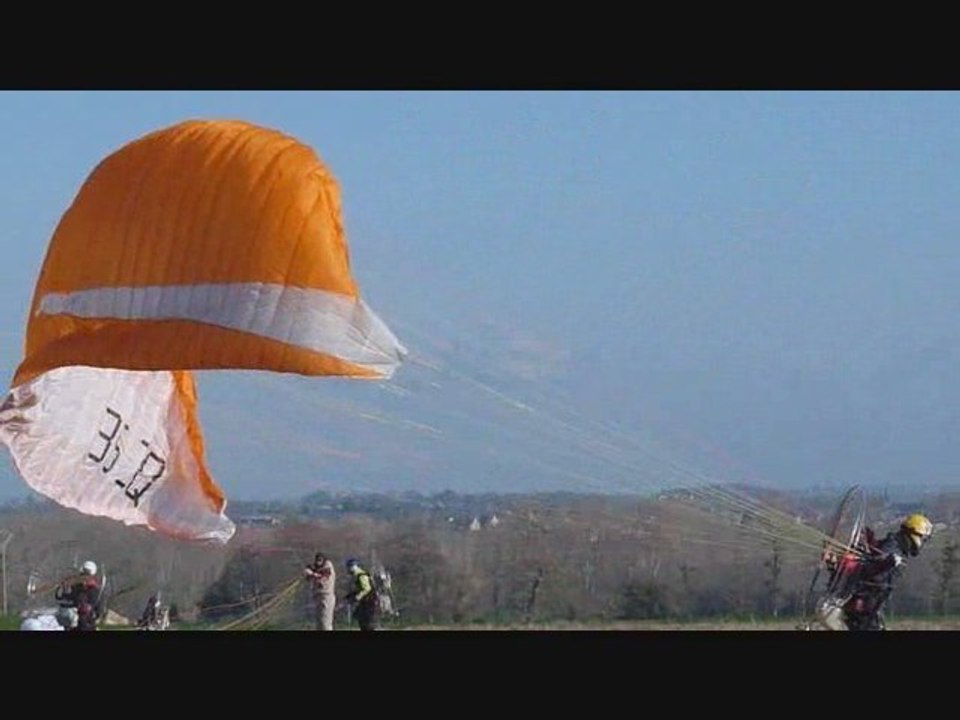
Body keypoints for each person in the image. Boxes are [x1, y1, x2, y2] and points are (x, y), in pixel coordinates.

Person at [818, 513, 933, 631]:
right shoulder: (892, 548)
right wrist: (886, 563)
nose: (922, 543)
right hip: (862, 609)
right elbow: (869, 571)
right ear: (914, 533)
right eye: (923, 539)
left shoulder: (897, 548)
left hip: (869, 609)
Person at [54, 560, 101, 631]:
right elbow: (66, 598)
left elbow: (97, 607)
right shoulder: (77, 586)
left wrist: (90, 611)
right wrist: (63, 590)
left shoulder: (94, 589)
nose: (84, 576)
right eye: (84, 572)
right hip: (74, 620)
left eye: (87, 573)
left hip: (86, 621)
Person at [304, 552, 336, 631]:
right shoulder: (319, 568)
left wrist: (312, 573)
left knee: (325, 623)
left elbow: (322, 574)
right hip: (318, 597)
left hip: (326, 597)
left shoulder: (328, 567)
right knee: (319, 623)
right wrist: (309, 571)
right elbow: (309, 578)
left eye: (320, 560)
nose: (318, 562)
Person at [344, 558, 378, 631]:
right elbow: (359, 589)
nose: (348, 570)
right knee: (361, 620)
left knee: (367, 623)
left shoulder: (361, 575)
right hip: (365, 602)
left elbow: (367, 588)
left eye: (349, 567)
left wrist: (357, 597)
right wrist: (351, 595)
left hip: (369, 602)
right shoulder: (356, 576)